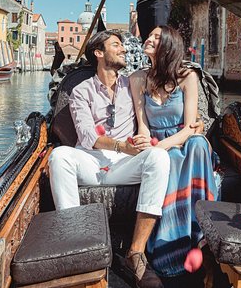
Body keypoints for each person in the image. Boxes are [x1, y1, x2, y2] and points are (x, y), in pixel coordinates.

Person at [48, 30, 170, 288]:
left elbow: (165, 87)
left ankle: (135, 254)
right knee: (59, 156)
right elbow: (86, 134)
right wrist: (121, 146)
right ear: (99, 53)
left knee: (158, 158)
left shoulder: (133, 83)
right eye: (116, 45)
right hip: (90, 160)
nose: (123, 49)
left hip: (124, 164)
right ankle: (77, 246)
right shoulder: (80, 90)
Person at [129, 25, 217, 278]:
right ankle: (172, 252)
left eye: (156, 37)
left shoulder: (187, 77)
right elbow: (142, 123)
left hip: (183, 140)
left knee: (198, 144)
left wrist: (164, 145)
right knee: (163, 160)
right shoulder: (137, 79)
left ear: (168, 45)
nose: (149, 38)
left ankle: (203, 237)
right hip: (157, 145)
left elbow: (190, 127)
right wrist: (146, 143)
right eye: (150, 35)